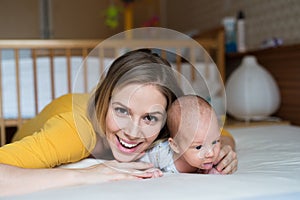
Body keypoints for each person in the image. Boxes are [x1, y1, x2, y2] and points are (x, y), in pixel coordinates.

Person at [0, 49, 237, 196]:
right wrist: (86, 174)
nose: (133, 133)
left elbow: (218, 132)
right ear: (105, 100)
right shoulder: (73, 131)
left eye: (149, 118)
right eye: (121, 111)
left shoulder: (169, 125)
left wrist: (223, 150)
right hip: (35, 127)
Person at [140, 95, 237, 174]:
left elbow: (225, 137)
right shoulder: (161, 154)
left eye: (215, 141)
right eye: (198, 147)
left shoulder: (212, 156)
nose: (211, 153)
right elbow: (139, 162)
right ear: (175, 145)